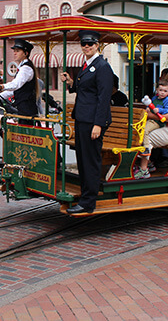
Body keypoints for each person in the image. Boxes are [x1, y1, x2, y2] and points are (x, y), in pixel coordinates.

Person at [59, 30, 113, 214]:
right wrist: (71, 82)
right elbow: (85, 90)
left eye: (90, 44)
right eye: (84, 44)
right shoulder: (88, 65)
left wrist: (98, 124)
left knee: (90, 161)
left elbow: (103, 97)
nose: (87, 47)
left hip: (92, 122)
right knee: (82, 160)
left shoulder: (102, 67)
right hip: (83, 119)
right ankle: (85, 196)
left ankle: (89, 202)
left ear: (97, 45)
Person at [0, 39, 39, 126]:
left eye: (18, 51)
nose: (15, 53)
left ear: (25, 53)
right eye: (14, 51)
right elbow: (14, 90)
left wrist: (1, 87)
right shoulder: (22, 67)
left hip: (27, 110)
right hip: (22, 109)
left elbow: (16, 84)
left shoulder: (26, 68)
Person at [135, 79, 168, 178]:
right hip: (151, 119)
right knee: (139, 129)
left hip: (157, 121)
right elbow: (151, 106)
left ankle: (146, 148)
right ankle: (148, 162)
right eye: (160, 90)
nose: (162, 93)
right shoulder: (155, 98)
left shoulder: (166, 100)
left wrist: (159, 110)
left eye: (165, 91)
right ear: (157, 90)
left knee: (145, 130)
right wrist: (148, 109)